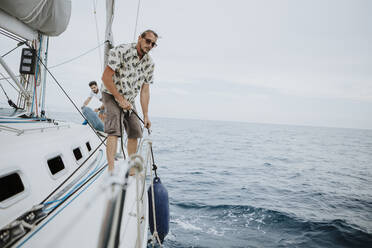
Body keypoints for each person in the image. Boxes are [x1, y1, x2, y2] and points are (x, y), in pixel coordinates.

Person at [101, 29, 157, 173]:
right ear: (140, 38)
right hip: (111, 93)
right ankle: (111, 170)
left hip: (129, 99)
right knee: (114, 129)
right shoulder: (121, 51)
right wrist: (119, 99)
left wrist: (145, 115)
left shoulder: (150, 64)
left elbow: (145, 91)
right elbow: (106, 78)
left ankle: (131, 168)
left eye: (153, 44)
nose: (150, 45)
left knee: (135, 131)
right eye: (148, 41)